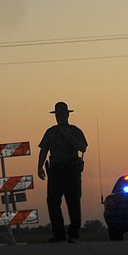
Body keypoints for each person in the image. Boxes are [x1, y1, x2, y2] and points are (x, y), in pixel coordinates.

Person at [37, 101, 88, 243]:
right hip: (55, 171)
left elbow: (83, 148)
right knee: (52, 202)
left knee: (73, 202)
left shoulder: (75, 131)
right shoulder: (50, 132)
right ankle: (58, 234)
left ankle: (74, 234)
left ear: (67, 115)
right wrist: (39, 166)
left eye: (62, 114)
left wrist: (69, 137)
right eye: (58, 115)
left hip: (71, 170)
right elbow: (44, 149)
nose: (60, 117)